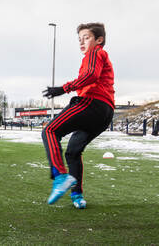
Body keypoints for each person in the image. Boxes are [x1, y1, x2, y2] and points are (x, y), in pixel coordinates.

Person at [41, 22, 114, 210]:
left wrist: (62, 89)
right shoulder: (97, 56)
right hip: (104, 114)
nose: (82, 42)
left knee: (50, 130)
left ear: (99, 40)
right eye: (79, 39)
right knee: (73, 151)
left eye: (86, 37)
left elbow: (90, 75)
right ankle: (77, 196)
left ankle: (60, 176)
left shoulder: (96, 53)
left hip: (91, 103)